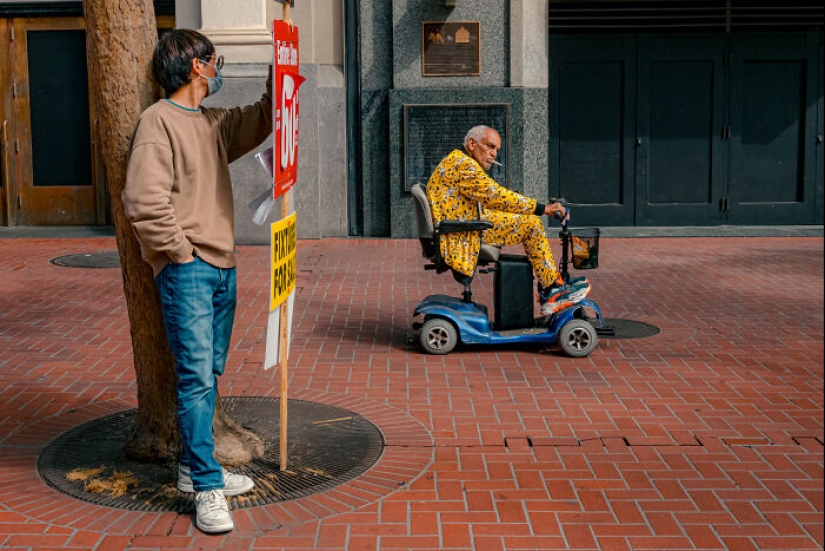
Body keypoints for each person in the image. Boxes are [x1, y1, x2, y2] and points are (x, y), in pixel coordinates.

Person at [122, 29, 272, 534]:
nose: (219, 67)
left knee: (208, 372)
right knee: (194, 379)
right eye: (215, 60)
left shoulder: (213, 123)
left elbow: (264, 119)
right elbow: (144, 200)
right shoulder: (157, 122)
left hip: (222, 268)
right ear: (196, 67)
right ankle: (207, 487)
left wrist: (283, 72)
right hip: (189, 270)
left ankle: (193, 468)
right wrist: (182, 256)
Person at [426, 125, 590, 315]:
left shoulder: (458, 160)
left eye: (496, 149)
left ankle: (551, 285)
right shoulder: (464, 165)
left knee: (526, 219)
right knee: (532, 225)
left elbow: (489, 197)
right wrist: (543, 208)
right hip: (461, 234)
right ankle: (552, 289)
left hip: (461, 227)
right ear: (472, 144)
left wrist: (519, 207)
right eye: (490, 146)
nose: (494, 154)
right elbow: (495, 196)